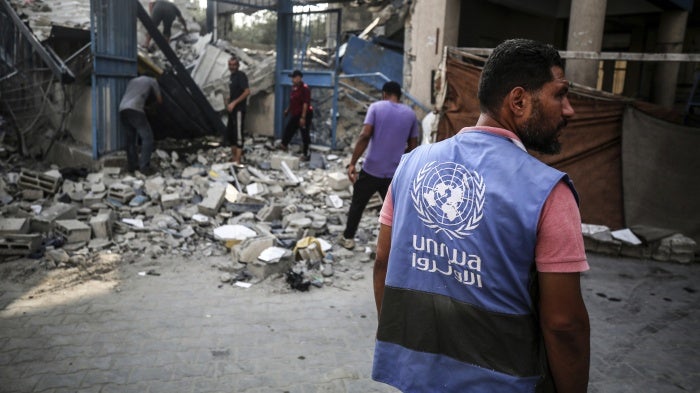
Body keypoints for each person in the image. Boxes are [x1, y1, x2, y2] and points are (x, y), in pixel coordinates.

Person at [372, 38, 590, 393]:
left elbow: (383, 263)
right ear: (518, 101)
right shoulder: (549, 192)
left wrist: (408, 350)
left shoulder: (411, 165)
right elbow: (564, 324)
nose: (569, 110)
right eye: (559, 94)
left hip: (415, 378)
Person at [338, 81, 419, 250]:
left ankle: (348, 238)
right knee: (394, 212)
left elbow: (365, 135)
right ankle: (396, 245)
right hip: (394, 173)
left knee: (358, 205)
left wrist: (352, 163)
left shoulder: (376, 107)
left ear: (384, 94)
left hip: (371, 169)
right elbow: (413, 146)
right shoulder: (410, 114)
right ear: (399, 96)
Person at [119, 75, 162, 176]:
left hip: (122, 110)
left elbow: (133, 95)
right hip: (136, 110)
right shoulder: (152, 80)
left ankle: (132, 166)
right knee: (148, 138)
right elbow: (160, 100)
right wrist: (152, 108)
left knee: (130, 140)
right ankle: (144, 167)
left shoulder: (132, 81)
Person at [278, 69, 313, 161]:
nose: (292, 80)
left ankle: (306, 153)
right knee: (289, 128)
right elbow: (293, 101)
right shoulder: (294, 88)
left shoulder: (305, 89)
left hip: (304, 114)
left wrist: (303, 117)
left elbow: (305, 103)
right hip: (296, 113)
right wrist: (288, 110)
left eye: (293, 78)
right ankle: (283, 145)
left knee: (304, 133)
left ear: (298, 78)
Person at [224, 57, 250, 168]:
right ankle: (234, 157)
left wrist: (234, 103)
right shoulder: (232, 77)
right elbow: (235, 91)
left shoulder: (241, 76)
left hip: (239, 109)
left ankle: (238, 160)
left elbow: (247, 91)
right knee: (231, 133)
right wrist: (229, 99)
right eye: (230, 64)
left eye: (234, 64)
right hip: (232, 110)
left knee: (238, 133)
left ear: (238, 65)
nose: (232, 67)